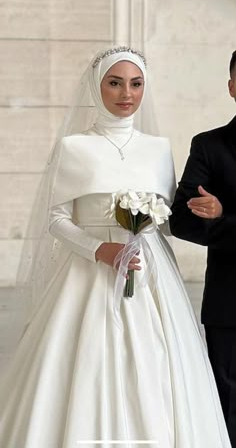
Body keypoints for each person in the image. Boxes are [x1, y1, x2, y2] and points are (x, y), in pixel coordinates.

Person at [0, 47, 232, 448]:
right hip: (89, 271)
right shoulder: (73, 147)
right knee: (85, 366)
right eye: (115, 82)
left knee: (158, 367)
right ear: (97, 85)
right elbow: (55, 219)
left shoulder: (159, 147)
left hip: (149, 274)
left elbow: (168, 217)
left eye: (136, 83)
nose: (127, 93)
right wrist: (98, 249)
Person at [169, 50, 236, 447]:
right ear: (232, 88)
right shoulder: (209, 146)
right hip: (231, 305)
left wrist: (225, 217)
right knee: (228, 407)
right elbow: (180, 219)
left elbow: (212, 220)